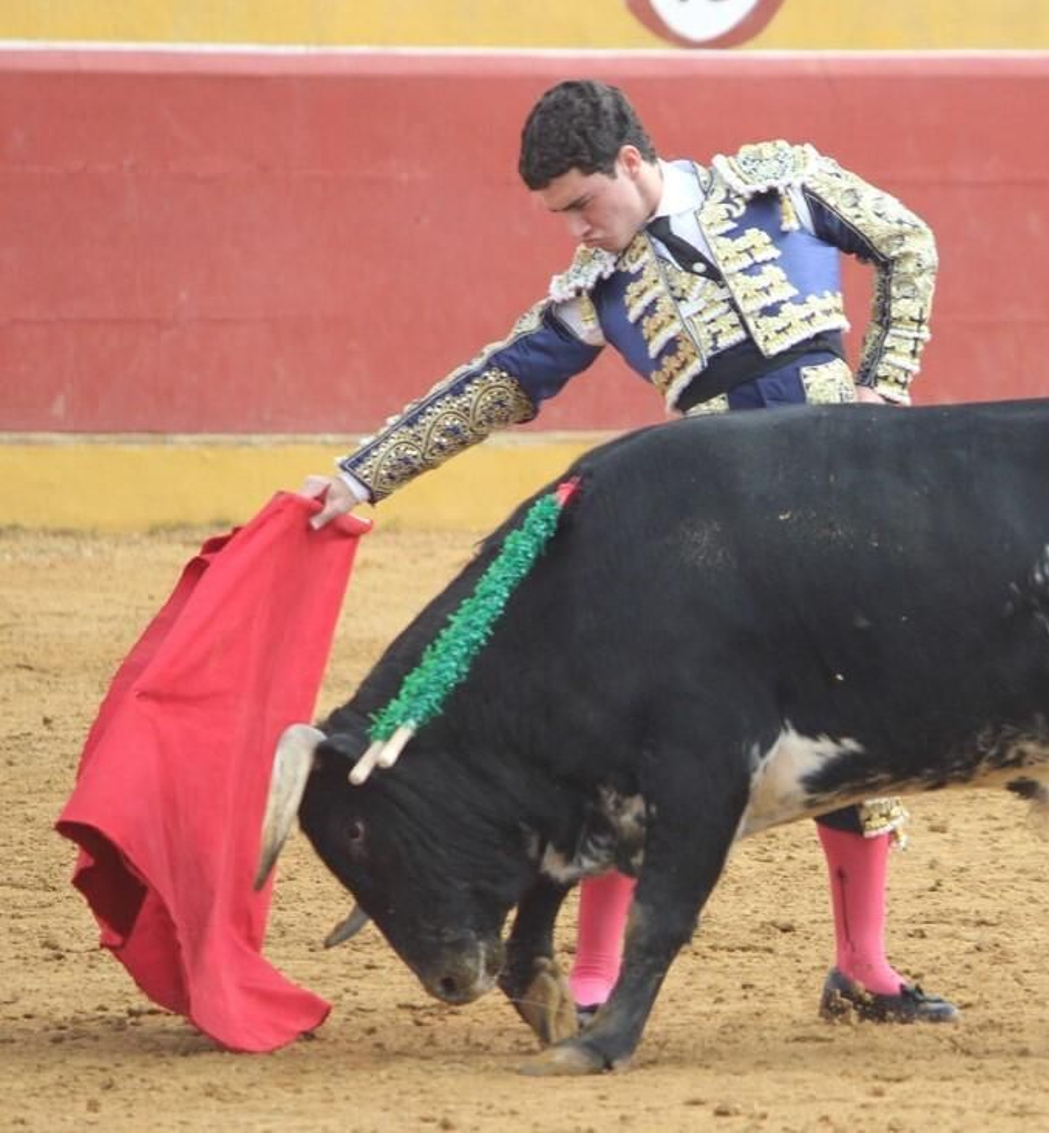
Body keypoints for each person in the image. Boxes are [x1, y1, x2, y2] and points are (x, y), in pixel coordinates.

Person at [301, 79, 955, 1025]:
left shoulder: (783, 186)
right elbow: (498, 384)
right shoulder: (596, 291)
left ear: (635, 165)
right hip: (716, 542)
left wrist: (885, 389)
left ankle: (864, 967)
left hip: (842, 513)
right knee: (639, 746)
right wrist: (362, 475)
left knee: (855, 732)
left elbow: (908, 243)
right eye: (558, 214)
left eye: (581, 204)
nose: (575, 231)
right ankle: (599, 980)